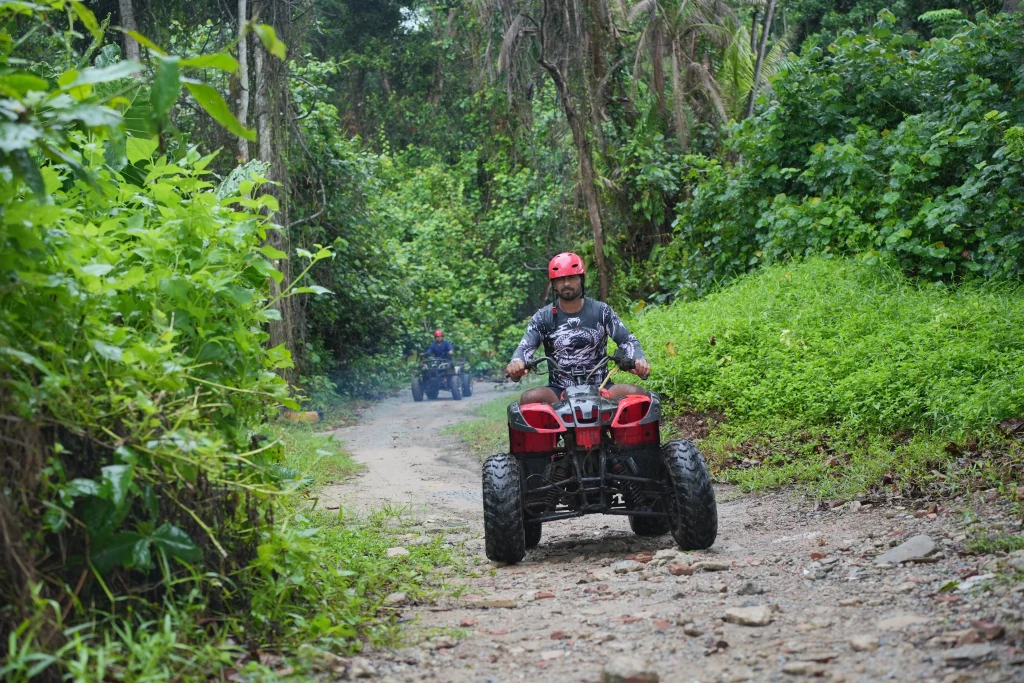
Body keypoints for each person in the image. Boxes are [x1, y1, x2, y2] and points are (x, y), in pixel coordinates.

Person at [505, 252, 650, 404]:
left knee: (640, 397)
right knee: (529, 399)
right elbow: (525, 347)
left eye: (572, 278)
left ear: (581, 279)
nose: (566, 283)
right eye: (560, 279)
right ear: (553, 284)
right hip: (559, 391)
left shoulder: (602, 311)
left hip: (601, 388)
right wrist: (517, 362)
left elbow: (627, 340)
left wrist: (639, 360)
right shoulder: (542, 317)